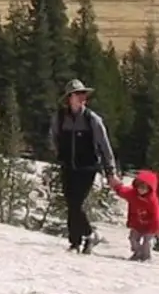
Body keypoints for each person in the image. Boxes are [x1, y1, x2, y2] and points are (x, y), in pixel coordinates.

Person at [48, 78, 117, 253]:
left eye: (83, 94)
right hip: (68, 166)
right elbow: (53, 137)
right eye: (78, 94)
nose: (82, 97)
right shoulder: (60, 117)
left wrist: (111, 172)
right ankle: (75, 242)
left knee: (76, 203)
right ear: (69, 97)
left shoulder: (92, 119)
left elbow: (104, 146)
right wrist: (59, 154)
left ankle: (89, 234)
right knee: (71, 203)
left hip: (87, 168)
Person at [108, 169, 159, 261]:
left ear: (150, 188)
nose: (141, 190)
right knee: (133, 239)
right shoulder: (132, 194)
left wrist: (155, 228)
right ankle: (137, 253)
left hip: (150, 225)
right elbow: (122, 191)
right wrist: (116, 185)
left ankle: (146, 256)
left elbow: (157, 216)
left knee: (147, 242)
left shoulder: (152, 201)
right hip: (137, 223)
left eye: (144, 188)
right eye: (140, 187)